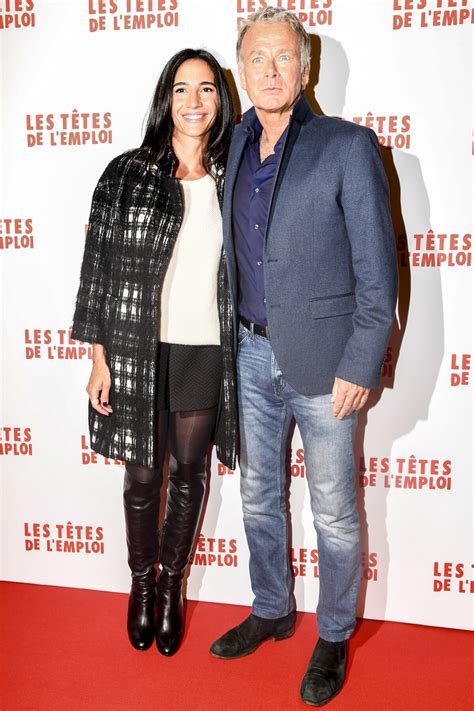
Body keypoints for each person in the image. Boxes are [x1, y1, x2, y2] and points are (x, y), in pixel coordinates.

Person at [209, 8, 398, 707]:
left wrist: (362, 360)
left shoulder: (347, 146)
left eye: (283, 57)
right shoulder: (230, 145)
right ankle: (271, 606)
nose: (269, 70)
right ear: (241, 68)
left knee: (334, 512)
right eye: (256, 58)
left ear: (306, 66)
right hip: (251, 355)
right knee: (258, 497)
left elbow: (379, 273)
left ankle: (335, 629)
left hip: (326, 366)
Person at [72, 48, 237, 657]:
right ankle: (140, 586)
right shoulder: (126, 173)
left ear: (221, 102)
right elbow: (97, 271)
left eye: (207, 90)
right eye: (181, 89)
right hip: (139, 347)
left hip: (206, 349)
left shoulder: (233, 175)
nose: (193, 102)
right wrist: (98, 356)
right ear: (165, 98)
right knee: (142, 476)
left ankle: (173, 586)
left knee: (188, 476)